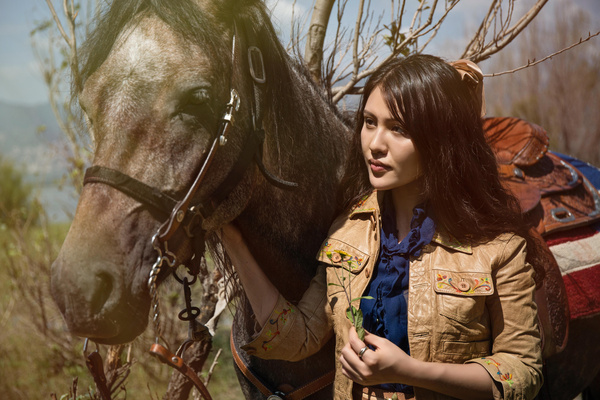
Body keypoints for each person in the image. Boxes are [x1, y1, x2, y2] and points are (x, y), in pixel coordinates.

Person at [220, 54, 543, 400]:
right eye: (370, 122)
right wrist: (233, 241)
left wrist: (409, 371)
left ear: (441, 139)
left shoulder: (497, 247)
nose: (375, 144)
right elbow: (300, 337)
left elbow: (522, 371)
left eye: (398, 128)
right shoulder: (347, 233)